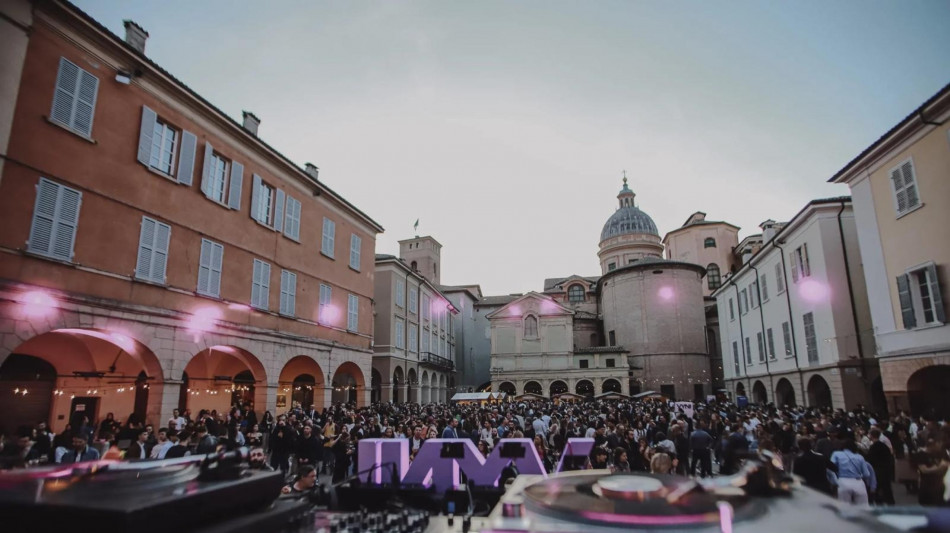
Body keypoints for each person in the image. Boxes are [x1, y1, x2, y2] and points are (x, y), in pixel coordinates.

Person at [831, 439, 876, 506]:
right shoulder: (860, 457)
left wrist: (834, 481)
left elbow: (830, 468)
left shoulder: (836, 454)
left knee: (844, 507)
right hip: (858, 482)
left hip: (843, 482)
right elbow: (867, 474)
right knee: (862, 508)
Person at [867, 428, 895, 505]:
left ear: (871, 436)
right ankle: (891, 504)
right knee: (887, 488)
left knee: (875, 489)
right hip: (886, 470)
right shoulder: (884, 446)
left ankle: (878, 503)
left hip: (877, 471)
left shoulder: (873, 447)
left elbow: (870, 460)